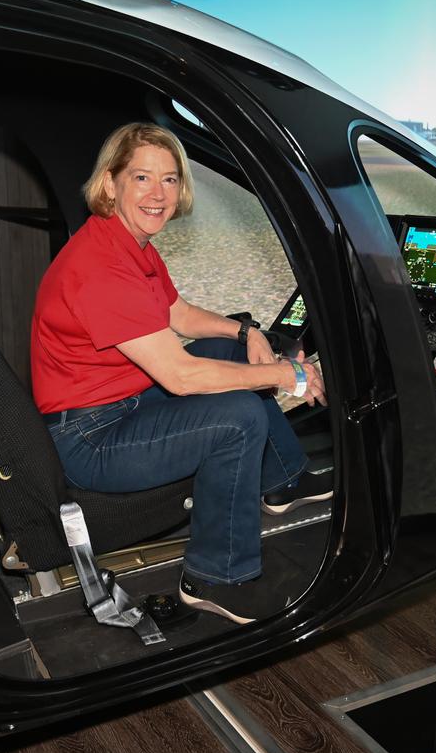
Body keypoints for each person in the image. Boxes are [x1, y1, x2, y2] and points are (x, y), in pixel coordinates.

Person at [30, 123, 330, 624]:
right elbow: (181, 378)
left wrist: (244, 332)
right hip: (92, 437)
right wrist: (284, 374)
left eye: (169, 180)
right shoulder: (101, 268)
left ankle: (281, 482)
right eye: (142, 178)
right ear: (111, 184)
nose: (158, 194)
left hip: (124, 404)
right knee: (237, 417)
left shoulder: (131, 244)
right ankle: (216, 576)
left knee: (221, 350)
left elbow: (179, 314)